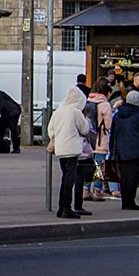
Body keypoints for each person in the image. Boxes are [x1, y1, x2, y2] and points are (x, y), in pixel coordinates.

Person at [47, 86, 89, 218]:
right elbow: (85, 130)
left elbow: (51, 130)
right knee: (69, 180)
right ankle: (66, 208)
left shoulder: (59, 111)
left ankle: (61, 207)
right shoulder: (75, 112)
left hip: (60, 149)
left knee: (65, 178)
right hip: (72, 149)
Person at [110, 89, 139, 210]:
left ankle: (125, 202)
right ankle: (131, 201)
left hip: (121, 150)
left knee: (124, 176)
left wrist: (112, 148)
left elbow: (113, 134)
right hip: (136, 150)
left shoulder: (118, 115)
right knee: (133, 176)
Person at [85, 79, 115, 202]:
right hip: (101, 140)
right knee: (99, 166)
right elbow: (108, 125)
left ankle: (85, 189)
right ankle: (97, 191)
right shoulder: (105, 104)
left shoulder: (88, 102)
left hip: (90, 139)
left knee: (88, 165)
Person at [0, 86, 22, 153]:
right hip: (6, 114)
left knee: (13, 128)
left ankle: (16, 148)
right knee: (0, 128)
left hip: (13, 112)